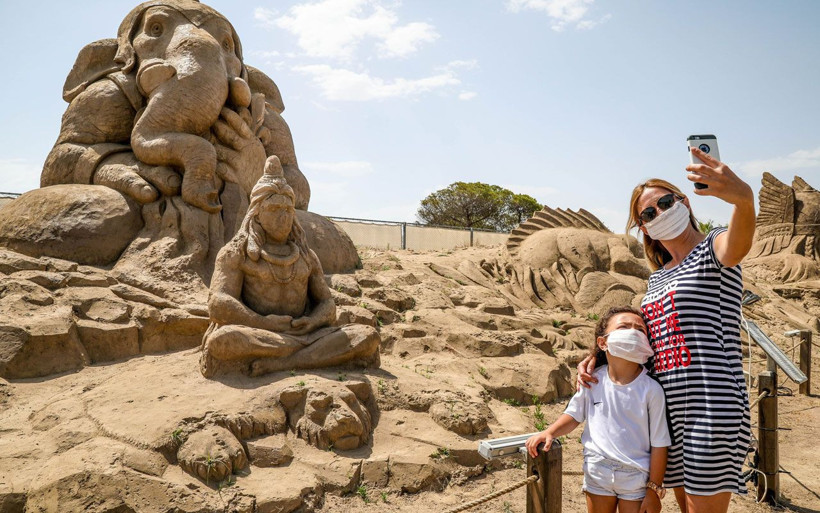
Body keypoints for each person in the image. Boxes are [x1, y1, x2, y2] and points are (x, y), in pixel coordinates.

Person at [577, 146, 756, 513]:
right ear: (644, 227)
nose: (659, 212)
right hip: (665, 413)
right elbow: (649, 342)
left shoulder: (712, 248)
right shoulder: (656, 279)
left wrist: (743, 200)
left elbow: (738, 246)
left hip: (711, 405)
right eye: (648, 212)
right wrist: (595, 358)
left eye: (666, 202)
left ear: (685, 203)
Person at [526, 306, 671, 513]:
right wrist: (549, 432)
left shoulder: (652, 390)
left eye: (640, 329)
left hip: (636, 476)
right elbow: (574, 415)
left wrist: (654, 489)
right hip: (597, 470)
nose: (632, 332)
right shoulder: (592, 381)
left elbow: (659, 443)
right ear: (602, 343)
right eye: (624, 327)